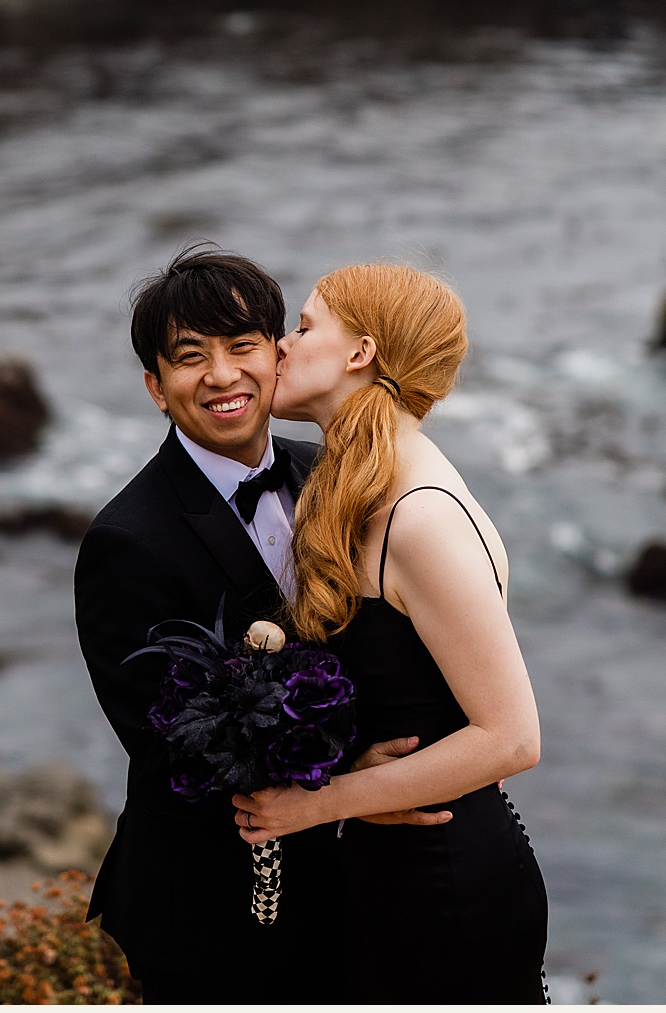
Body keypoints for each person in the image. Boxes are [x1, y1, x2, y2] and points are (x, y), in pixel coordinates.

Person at [74, 246, 439, 1002]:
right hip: (211, 919)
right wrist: (352, 786)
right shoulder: (127, 541)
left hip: (357, 896)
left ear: (279, 356)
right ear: (155, 386)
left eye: (242, 346)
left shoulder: (335, 473)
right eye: (189, 357)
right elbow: (172, 744)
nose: (221, 375)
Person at [228, 262, 551, 1002]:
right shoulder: (364, 490)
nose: (280, 347)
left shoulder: (422, 515)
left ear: (360, 353)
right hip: (389, 870)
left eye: (304, 327)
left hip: (445, 885)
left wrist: (318, 803)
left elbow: (511, 740)